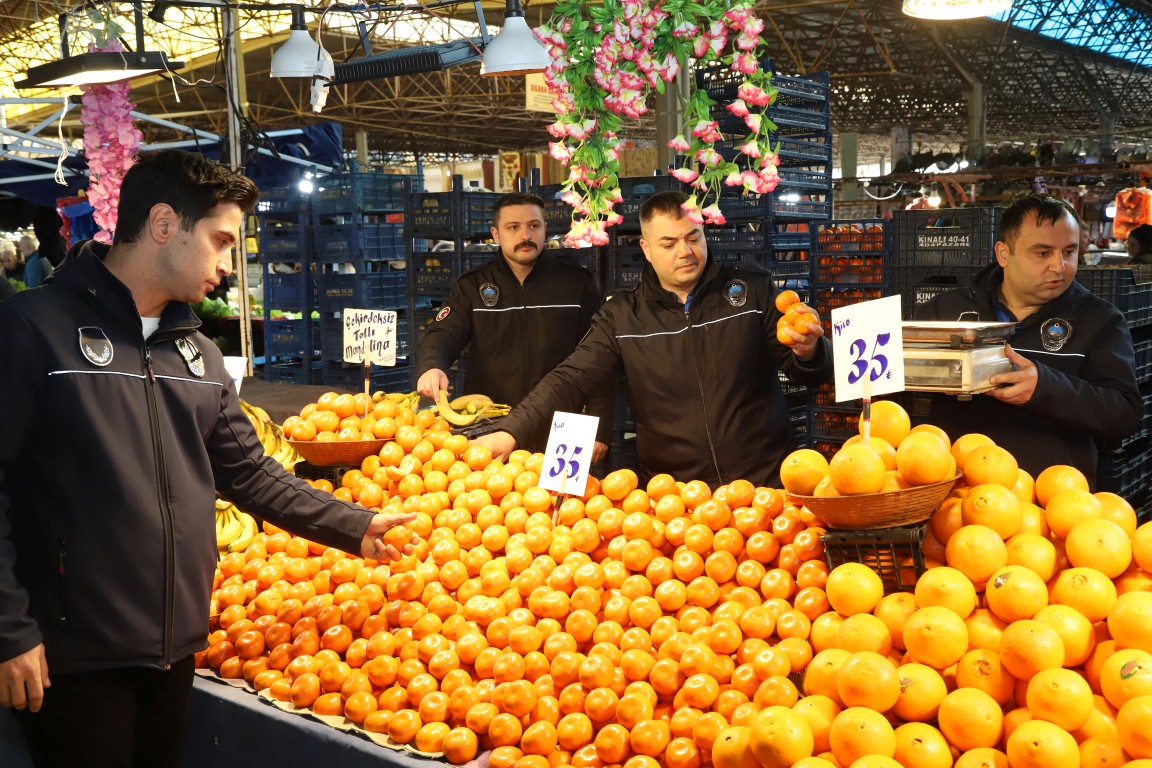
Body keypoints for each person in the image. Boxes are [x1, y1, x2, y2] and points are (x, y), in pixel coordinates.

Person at [0, 149, 418, 766]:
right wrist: (10, 630)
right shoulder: (33, 328)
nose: (227, 265)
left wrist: (354, 524)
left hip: (174, 649)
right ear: (165, 224)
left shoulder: (196, 353)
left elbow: (248, 473)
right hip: (72, 658)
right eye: (220, 241)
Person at [474, 190, 834, 488]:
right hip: (675, 497)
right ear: (646, 248)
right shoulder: (623, 316)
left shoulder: (751, 291)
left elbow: (808, 373)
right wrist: (511, 432)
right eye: (669, 243)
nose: (685, 251)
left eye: (694, 237)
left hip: (765, 484)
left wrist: (810, 351)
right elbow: (570, 378)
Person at [912, 193, 1142, 486]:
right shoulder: (945, 311)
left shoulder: (1100, 320)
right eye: (1043, 253)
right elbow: (895, 385)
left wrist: (1045, 387)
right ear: (1004, 253)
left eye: (1069, 252)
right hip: (953, 495)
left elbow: (1124, 414)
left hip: (1050, 505)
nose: (1059, 267)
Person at [416, 192, 612, 460]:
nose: (526, 235)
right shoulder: (472, 286)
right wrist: (432, 365)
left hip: (564, 427)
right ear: (496, 235)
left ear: (545, 229)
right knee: (490, 499)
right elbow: (442, 333)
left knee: (567, 502)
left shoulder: (576, 284)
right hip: (490, 426)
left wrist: (600, 428)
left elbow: (599, 358)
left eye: (534, 226)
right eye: (513, 228)